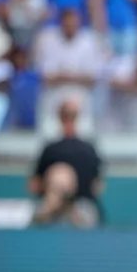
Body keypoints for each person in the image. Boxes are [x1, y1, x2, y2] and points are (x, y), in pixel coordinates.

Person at [29, 97, 103, 228]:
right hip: (75, 213)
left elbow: (35, 185)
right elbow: (97, 187)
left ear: (59, 117)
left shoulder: (50, 150)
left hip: (68, 214)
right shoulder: (88, 150)